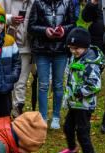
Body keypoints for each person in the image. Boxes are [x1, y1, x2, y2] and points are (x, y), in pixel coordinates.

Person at [56, 27, 105, 153]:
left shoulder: (90, 63)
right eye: (71, 48)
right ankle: (72, 149)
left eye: (76, 48)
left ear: (85, 46)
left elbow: (95, 85)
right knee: (68, 127)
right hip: (74, 103)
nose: (73, 51)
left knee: (82, 132)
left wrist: (79, 92)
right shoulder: (75, 57)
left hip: (84, 105)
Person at [28, 0, 76, 129]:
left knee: (58, 84)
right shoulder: (38, 3)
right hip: (42, 49)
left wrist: (63, 30)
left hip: (61, 49)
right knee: (43, 84)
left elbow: (73, 24)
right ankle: (43, 117)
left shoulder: (67, 2)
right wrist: (45, 30)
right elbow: (31, 27)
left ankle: (56, 116)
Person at [0, 0, 35, 117]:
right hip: (7, 46)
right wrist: (10, 19)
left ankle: (17, 108)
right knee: (7, 78)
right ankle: (4, 108)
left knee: (21, 81)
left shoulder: (34, 2)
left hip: (27, 47)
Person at [82, 0, 105, 134]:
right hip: (96, 46)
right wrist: (92, 3)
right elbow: (85, 18)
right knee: (89, 81)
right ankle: (85, 115)